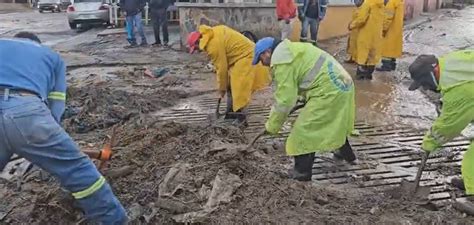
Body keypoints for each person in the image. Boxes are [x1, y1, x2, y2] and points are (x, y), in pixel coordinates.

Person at [0, 32, 127, 224]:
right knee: (78, 171)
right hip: (27, 112)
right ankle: (113, 220)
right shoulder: (51, 56)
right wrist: (46, 141)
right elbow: (56, 105)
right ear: (36, 43)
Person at [253, 37, 357, 181]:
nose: (262, 64)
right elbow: (306, 73)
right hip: (343, 84)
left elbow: (284, 102)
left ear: (268, 52)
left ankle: (301, 174)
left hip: (328, 91)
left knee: (303, 131)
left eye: (260, 59)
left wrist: (272, 126)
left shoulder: (282, 63)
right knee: (332, 122)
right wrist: (304, 96)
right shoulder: (292, 50)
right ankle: (348, 155)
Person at [407, 51, 474, 210]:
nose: (425, 88)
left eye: (424, 83)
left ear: (433, 74)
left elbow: (448, 127)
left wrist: (430, 141)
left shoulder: (459, 89)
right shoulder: (451, 64)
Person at [187, 25, 271, 124]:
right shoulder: (213, 32)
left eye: (196, 48)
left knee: (239, 89)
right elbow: (225, 63)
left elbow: (221, 70)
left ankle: (240, 117)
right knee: (232, 86)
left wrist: (222, 88)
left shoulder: (212, 47)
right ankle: (231, 112)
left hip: (246, 57)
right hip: (242, 56)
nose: (198, 50)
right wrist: (225, 85)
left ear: (198, 42)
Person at [348, 0, 385, 80]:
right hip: (377, 36)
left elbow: (361, 19)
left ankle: (361, 76)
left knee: (362, 55)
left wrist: (351, 25)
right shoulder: (381, 5)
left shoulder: (367, 3)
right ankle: (369, 75)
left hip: (365, 34)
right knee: (372, 56)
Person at [376, 0, 404, 71]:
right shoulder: (400, 2)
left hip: (390, 30)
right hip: (397, 29)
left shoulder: (391, 3)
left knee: (386, 49)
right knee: (393, 49)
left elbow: (388, 17)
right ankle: (392, 65)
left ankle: (386, 66)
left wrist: (383, 29)